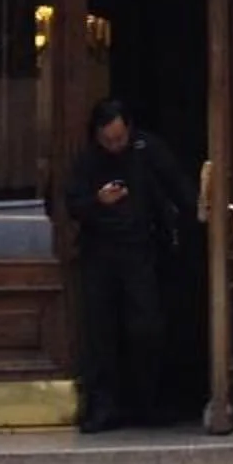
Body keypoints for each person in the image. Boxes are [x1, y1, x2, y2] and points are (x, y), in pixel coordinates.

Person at [62, 94, 195, 433]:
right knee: (100, 333)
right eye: (108, 140)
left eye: (119, 139)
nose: (115, 145)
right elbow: (71, 204)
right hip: (100, 253)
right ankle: (103, 407)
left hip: (142, 252)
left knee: (147, 327)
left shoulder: (147, 150)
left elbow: (179, 188)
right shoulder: (87, 160)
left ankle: (147, 403)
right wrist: (97, 201)